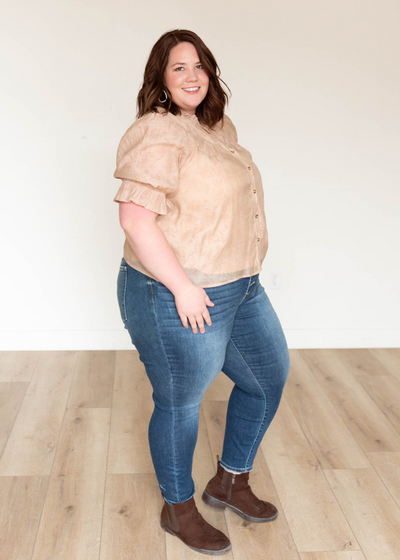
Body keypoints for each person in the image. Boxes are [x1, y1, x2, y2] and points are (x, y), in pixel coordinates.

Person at [113, 29, 290, 556]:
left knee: (267, 380)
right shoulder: (156, 131)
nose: (192, 76)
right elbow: (135, 220)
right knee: (180, 402)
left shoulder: (216, 126)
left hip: (241, 286)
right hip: (175, 293)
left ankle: (230, 481)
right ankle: (178, 507)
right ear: (162, 81)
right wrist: (184, 289)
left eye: (198, 66)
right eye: (178, 68)